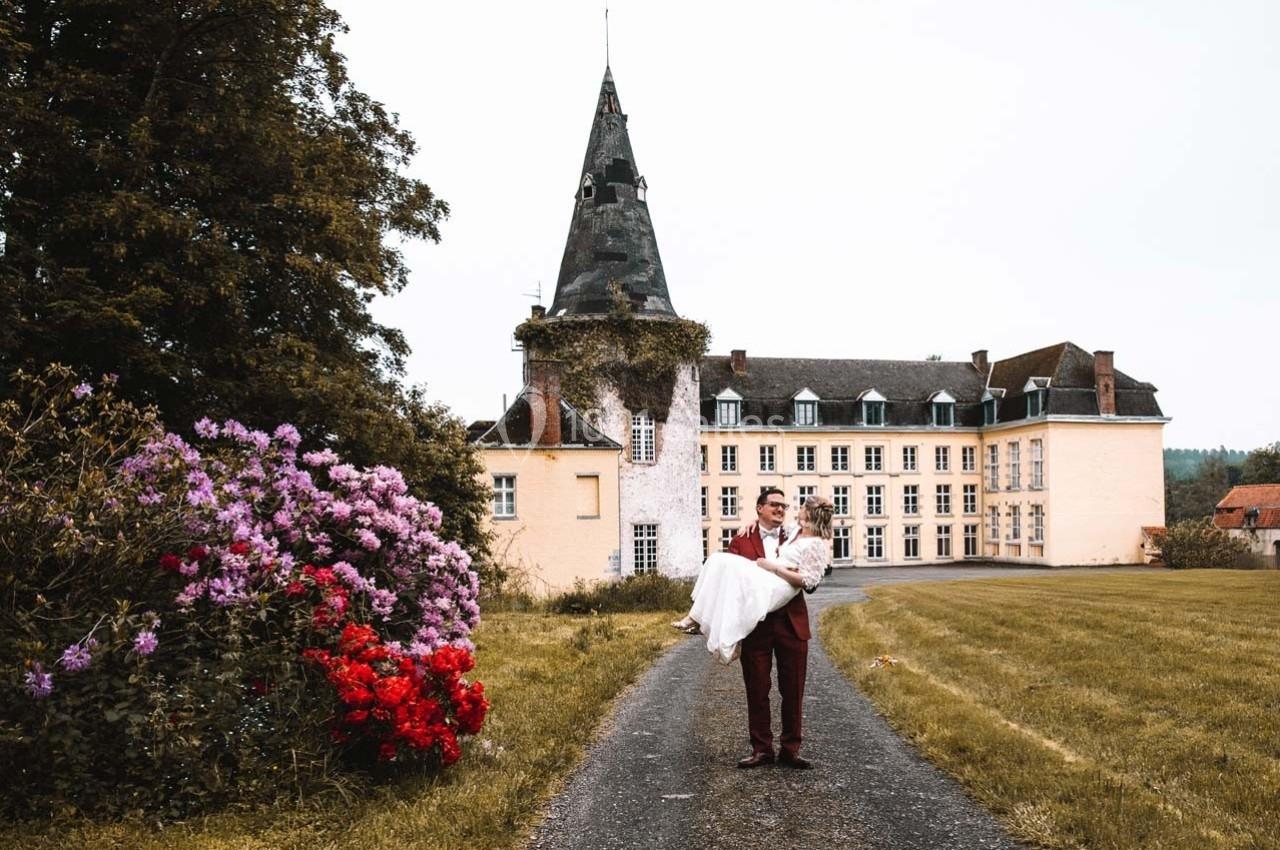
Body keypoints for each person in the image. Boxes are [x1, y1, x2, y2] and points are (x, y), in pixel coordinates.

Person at [673, 489, 832, 769]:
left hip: (791, 624)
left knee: (793, 689)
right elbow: (728, 584)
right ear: (759, 508)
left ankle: (791, 750)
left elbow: (813, 579)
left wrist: (778, 568)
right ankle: (761, 749)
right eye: (774, 505)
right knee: (756, 689)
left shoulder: (796, 533)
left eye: (784, 505)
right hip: (755, 625)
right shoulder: (741, 539)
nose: (781, 510)